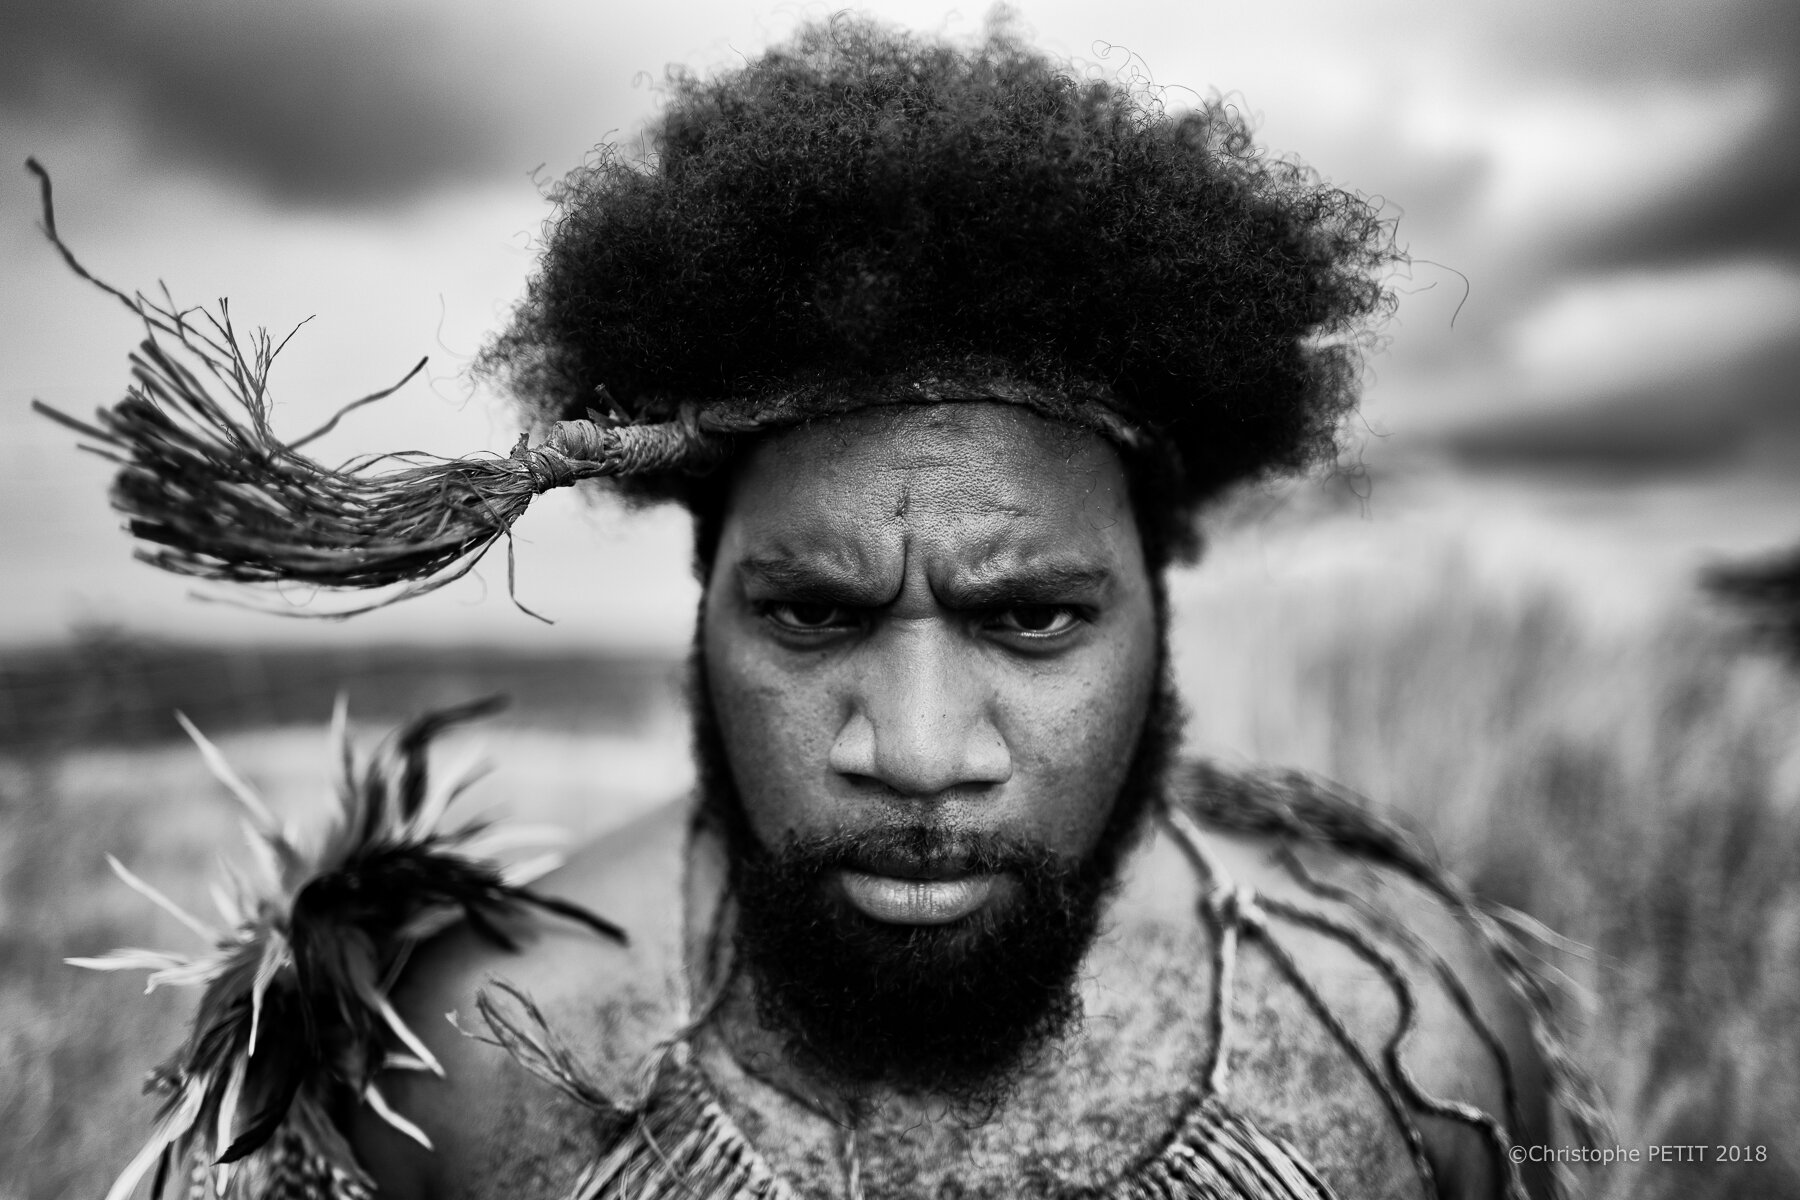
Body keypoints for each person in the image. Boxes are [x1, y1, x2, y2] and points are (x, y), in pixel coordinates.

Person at [68, 16, 1602, 1200]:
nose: (919, 753)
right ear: (706, 600)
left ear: (1155, 602)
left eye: (1032, 621)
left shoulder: (1398, 1034)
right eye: (812, 618)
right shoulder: (459, 1072)